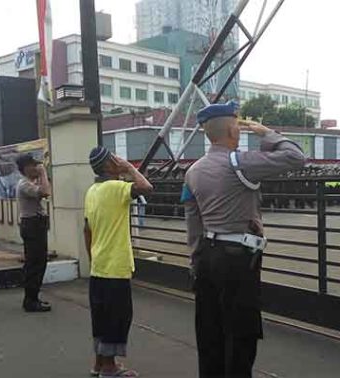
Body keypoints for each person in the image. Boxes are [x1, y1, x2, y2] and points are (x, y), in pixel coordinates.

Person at [182, 101, 305, 377]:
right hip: (238, 260)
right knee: (241, 334)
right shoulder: (241, 162)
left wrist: (195, 261)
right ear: (231, 130)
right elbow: (296, 157)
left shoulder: (192, 171)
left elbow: (193, 222)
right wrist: (267, 133)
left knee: (210, 332)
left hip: (206, 257)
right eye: (237, 123)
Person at [83, 146, 153, 378]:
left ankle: (99, 364)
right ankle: (110, 369)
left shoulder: (92, 190)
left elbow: (87, 230)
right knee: (117, 317)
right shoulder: (116, 188)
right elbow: (146, 187)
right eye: (115, 159)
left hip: (99, 266)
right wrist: (130, 168)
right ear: (109, 165)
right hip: (115, 266)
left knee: (101, 317)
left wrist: (93, 257)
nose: (119, 161)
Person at [16, 153, 52, 312]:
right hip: (32, 226)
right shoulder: (24, 184)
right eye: (33, 165)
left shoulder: (29, 183)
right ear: (26, 168)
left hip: (36, 225)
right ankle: (30, 301)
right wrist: (43, 173)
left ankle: (33, 297)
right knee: (35, 263)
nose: (37, 167)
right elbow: (45, 192)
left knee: (39, 262)